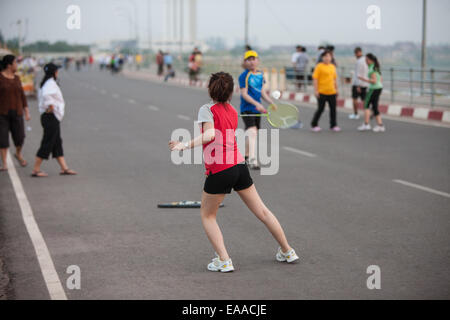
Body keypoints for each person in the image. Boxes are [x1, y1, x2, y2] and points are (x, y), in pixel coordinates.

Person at [168, 72, 299, 272]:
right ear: (231, 92)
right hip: (239, 167)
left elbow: (211, 134)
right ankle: (287, 251)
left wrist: (183, 145)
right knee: (263, 212)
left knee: (207, 215)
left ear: (210, 89)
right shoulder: (231, 110)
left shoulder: (207, 109)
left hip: (221, 169)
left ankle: (224, 259)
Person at [31, 63, 77, 177]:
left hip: (51, 117)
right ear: (54, 72)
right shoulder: (50, 83)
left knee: (56, 142)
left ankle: (64, 168)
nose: (58, 72)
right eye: (57, 70)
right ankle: (36, 169)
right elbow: (47, 96)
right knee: (48, 142)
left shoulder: (48, 82)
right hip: (50, 116)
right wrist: (50, 107)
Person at [239, 50, 275, 170]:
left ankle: (246, 156)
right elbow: (244, 94)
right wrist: (256, 104)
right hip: (247, 108)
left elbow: (262, 92)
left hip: (257, 110)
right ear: (245, 62)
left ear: (258, 60)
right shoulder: (244, 76)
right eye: (248, 59)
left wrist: (271, 102)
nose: (251, 62)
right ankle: (252, 160)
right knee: (252, 131)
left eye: (253, 59)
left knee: (252, 133)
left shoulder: (260, 75)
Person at [0, 55, 31, 171]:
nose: (17, 65)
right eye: (15, 63)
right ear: (9, 65)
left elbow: (22, 96)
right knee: (3, 139)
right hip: (2, 113)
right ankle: (4, 164)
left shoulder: (17, 78)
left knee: (20, 137)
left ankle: (18, 153)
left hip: (17, 112)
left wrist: (26, 111)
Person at [311, 50, 340, 132]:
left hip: (332, 92)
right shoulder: (319, 66)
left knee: (333, 109)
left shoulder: (332, 67)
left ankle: (333, 125)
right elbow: (315, 79)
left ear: (331, 58)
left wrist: (337, 89)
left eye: (329, 56)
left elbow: (334, 79)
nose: (327, 58)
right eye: (325, 56)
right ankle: (314, 124)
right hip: (322, 91)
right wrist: (316, 90)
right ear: (322, 58)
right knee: (320, 109)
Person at [357, 53, 385, 132]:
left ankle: (366, 124)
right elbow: (381, 79)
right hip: (379, 88)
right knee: (375, 107)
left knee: (366, 105)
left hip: (374, 89)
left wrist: (363, 79)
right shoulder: (376, 67)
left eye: (367, 60)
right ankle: (380, 125)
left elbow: (374, 81)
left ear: (371, 60)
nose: (366, 61)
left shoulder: (372, 68)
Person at [350, 47, 368, 120]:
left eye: (355, 53)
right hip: (365, 83)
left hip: (357, 84)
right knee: (364, 100)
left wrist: (358, 85)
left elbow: (358, 74)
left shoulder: (359, 61)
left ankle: (355, 114)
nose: (355, 55)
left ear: (357, 53)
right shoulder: (366, 60)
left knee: (355, 99)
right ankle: (367, 113)